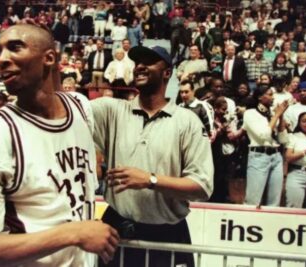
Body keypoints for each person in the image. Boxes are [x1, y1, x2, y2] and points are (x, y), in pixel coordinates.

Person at [0, 24, 118, 267]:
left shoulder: (80, 106)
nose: (1, 60)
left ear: (50, 58)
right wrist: (74, 233)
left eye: (15, 48)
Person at [92, 45, 214, 267]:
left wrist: (150, 180)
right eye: (137, 61)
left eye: (148, 61)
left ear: (167, 72)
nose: (139, 66)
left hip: (167, 236)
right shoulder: (112, 111)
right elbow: (66, 109)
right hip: (117, 229)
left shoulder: (187, 122)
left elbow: (202, 187)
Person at [243, 86, 289, 206]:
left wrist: (281, 115)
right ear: (259, 97)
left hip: (276, 156)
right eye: (269, 94)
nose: (272, 97)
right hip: (259, 155)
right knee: (253, 200)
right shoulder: (250, 113)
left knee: (274, 201)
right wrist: (277, 115)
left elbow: (283, 139)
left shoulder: (273, 114)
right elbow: (263, 135)